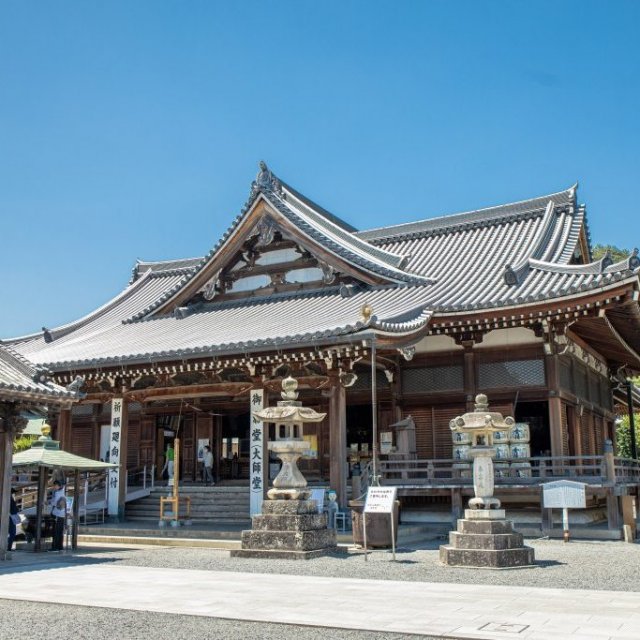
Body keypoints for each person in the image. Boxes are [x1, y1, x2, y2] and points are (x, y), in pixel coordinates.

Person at [49, 479, 66, 552]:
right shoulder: (63, 492)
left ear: (58, 486)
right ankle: (60, 547)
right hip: (62, 514)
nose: (54, 487)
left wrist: (49, 502)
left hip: (57, 514)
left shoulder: (57, 493)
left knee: (56, 531)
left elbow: (55, 503)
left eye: (55, 485)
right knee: (60, 531)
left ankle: (55, 547)